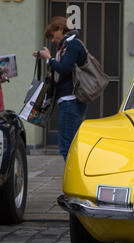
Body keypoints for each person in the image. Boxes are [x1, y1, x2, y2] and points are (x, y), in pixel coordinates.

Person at [33, 16, 87, 161]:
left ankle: (72, 179)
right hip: (69, 101)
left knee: (66, 146)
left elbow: (64, 69)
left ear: (61, 29)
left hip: (71, 101)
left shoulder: (72, 44)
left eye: (53, 35)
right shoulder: (66, 46)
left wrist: (48, 59)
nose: (52, 40)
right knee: (70, 144)